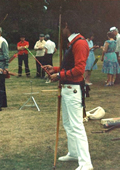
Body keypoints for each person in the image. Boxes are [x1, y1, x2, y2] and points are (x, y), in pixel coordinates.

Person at [42, 10, 93, 170]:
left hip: (73, 89)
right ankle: (74, 153)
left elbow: (79, 70)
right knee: (68, 124)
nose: (61, 30)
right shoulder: (73, 42)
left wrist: (59, 75)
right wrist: (55, 69)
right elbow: (69, 66)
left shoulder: (80, 43)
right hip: (67, 89)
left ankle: (86, 163)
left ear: (66, 26)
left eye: (61, 27)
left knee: (77, 125)